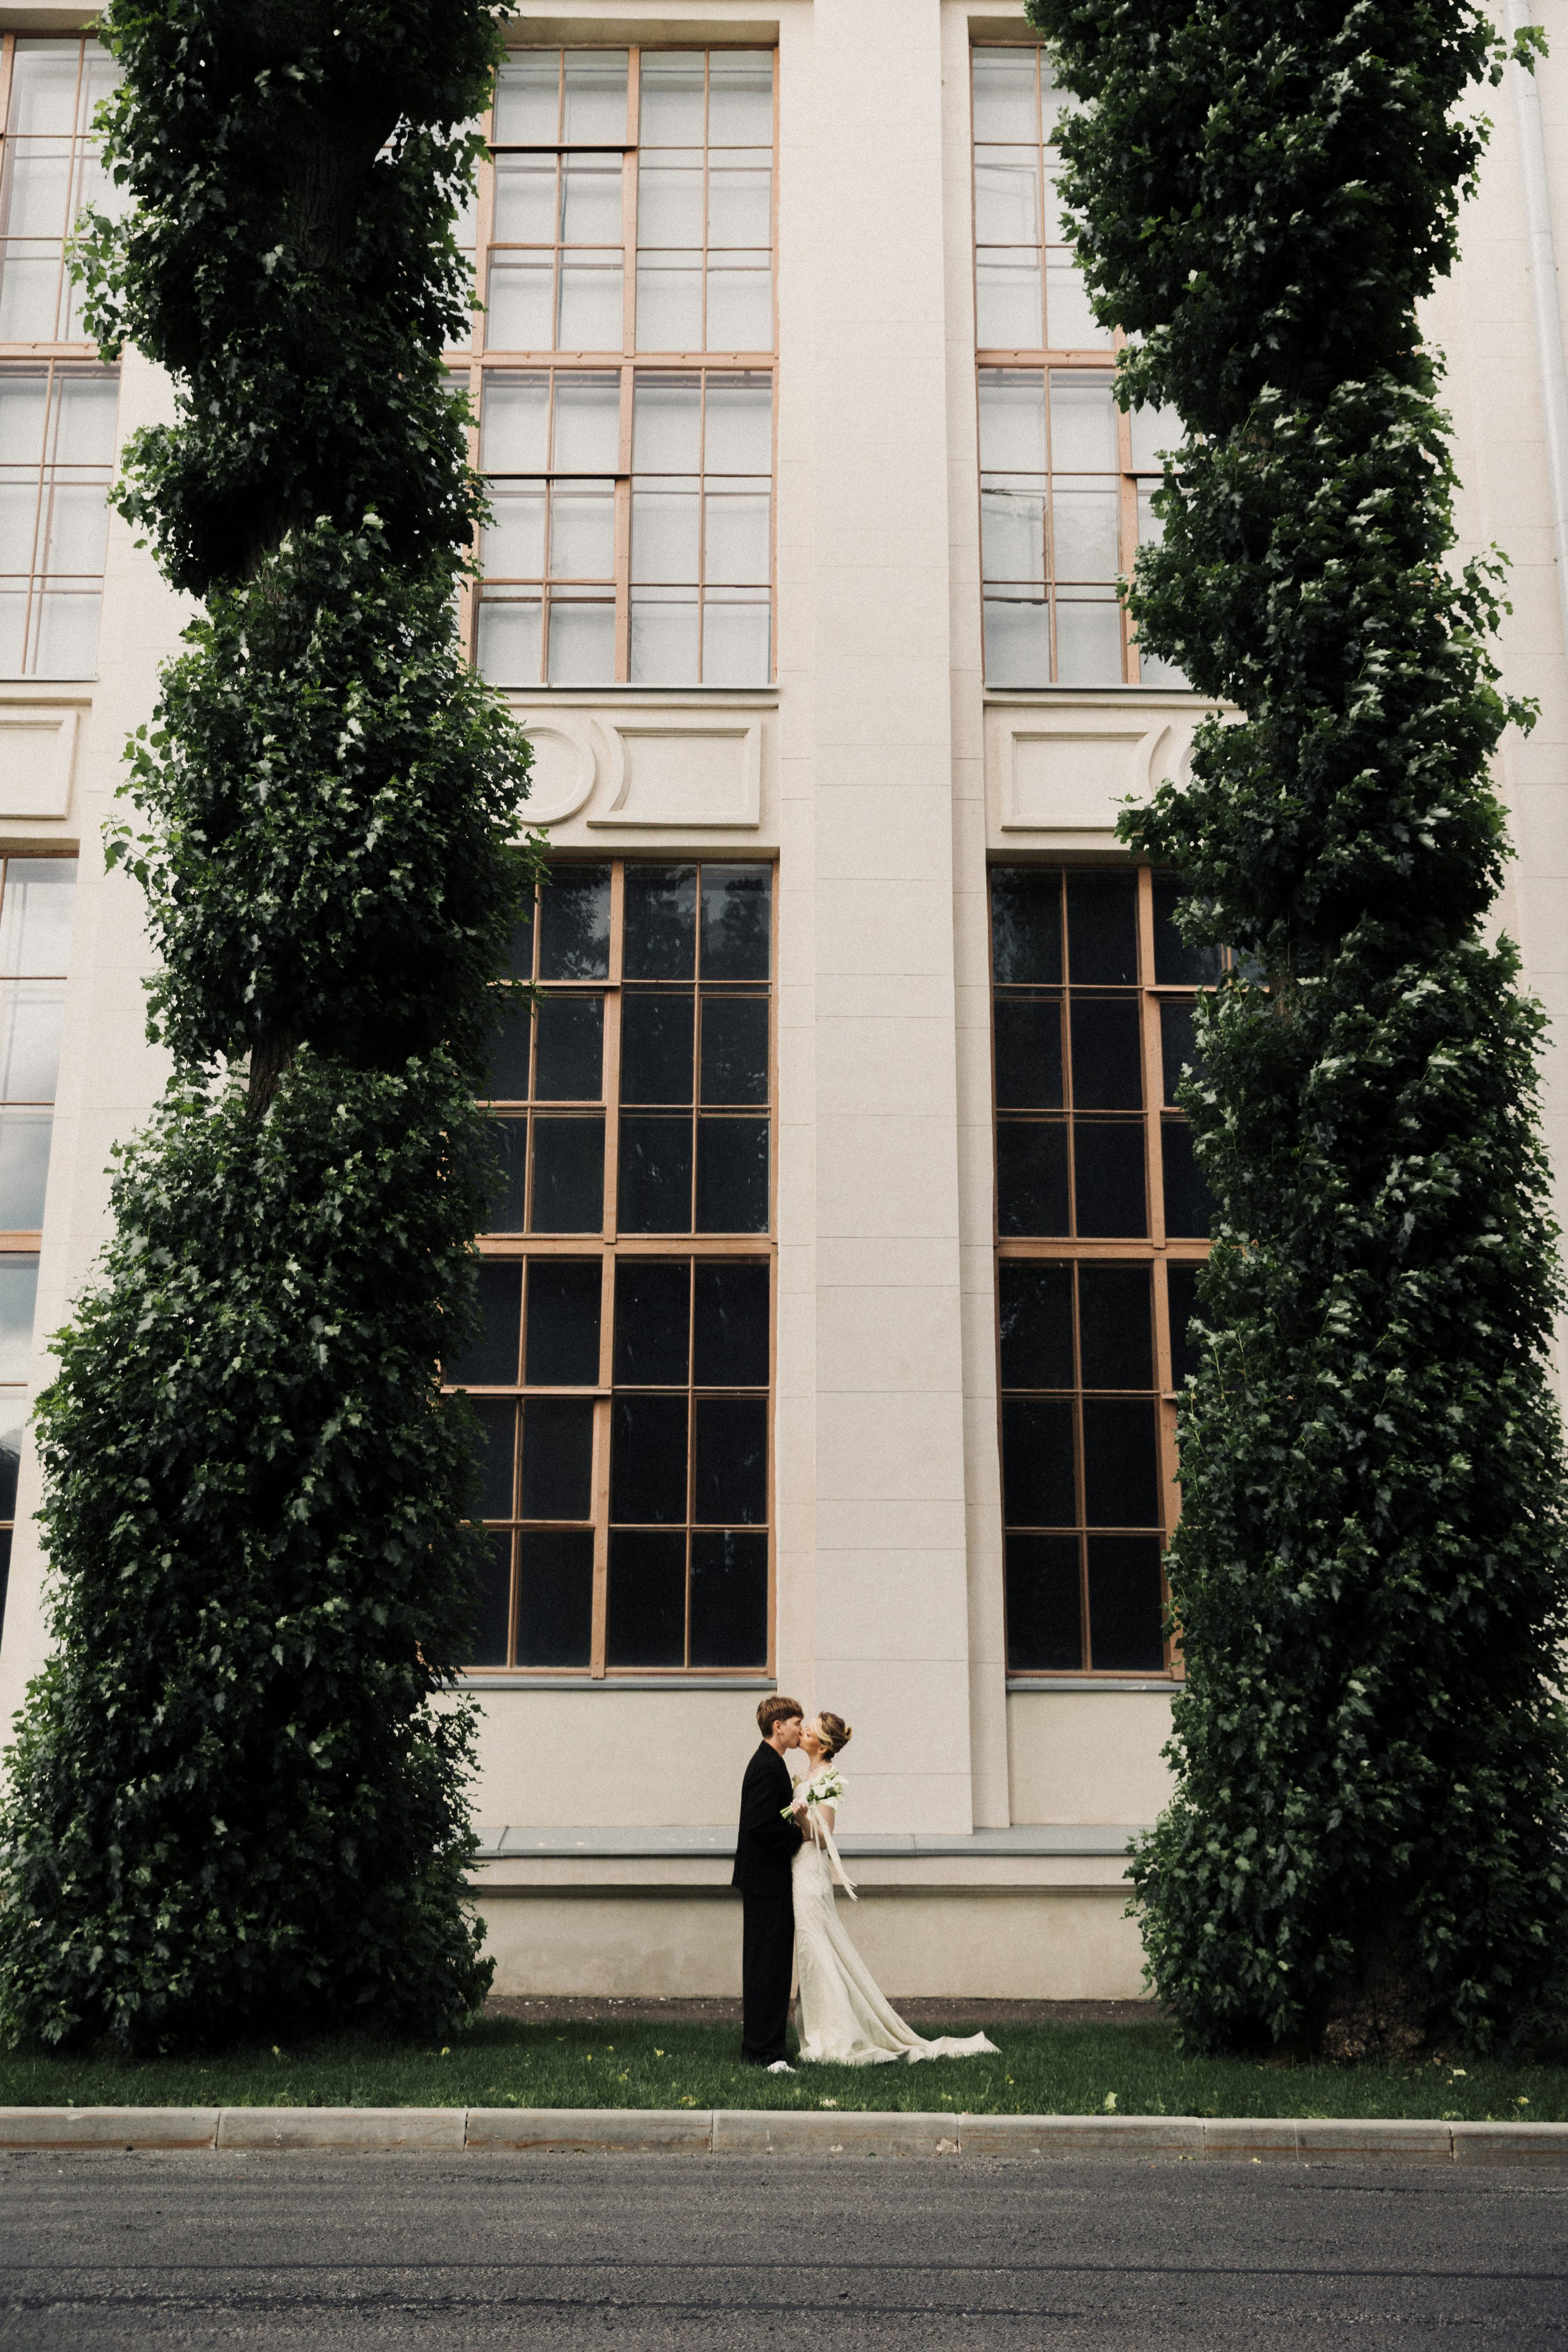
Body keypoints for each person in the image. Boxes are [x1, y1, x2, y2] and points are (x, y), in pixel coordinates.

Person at [789, 1712, 1000, 2066]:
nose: (805, 1729)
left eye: (811, 1728)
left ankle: (836, 2035)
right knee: (812, 1952)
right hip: (797, 1869)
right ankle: (820, 2028)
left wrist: (800, 1817)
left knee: (817, 1950)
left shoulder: (829, 1778)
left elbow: (824, 1835)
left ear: (823, 1745)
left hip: (811, 1873)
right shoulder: (807, 1776)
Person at [731, 1694, 805, 2070]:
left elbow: (768, 1817)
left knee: (769, 1966)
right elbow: (761, 1825)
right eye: (797, 1723)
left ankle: (762, 2046)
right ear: (778, 1726)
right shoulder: (767, 1767)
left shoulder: (770, 1764)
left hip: (765, 1882)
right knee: (768, 1968)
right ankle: (765, 2052)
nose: (801, 1730)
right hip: (766, 1883)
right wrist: (797, 1835)